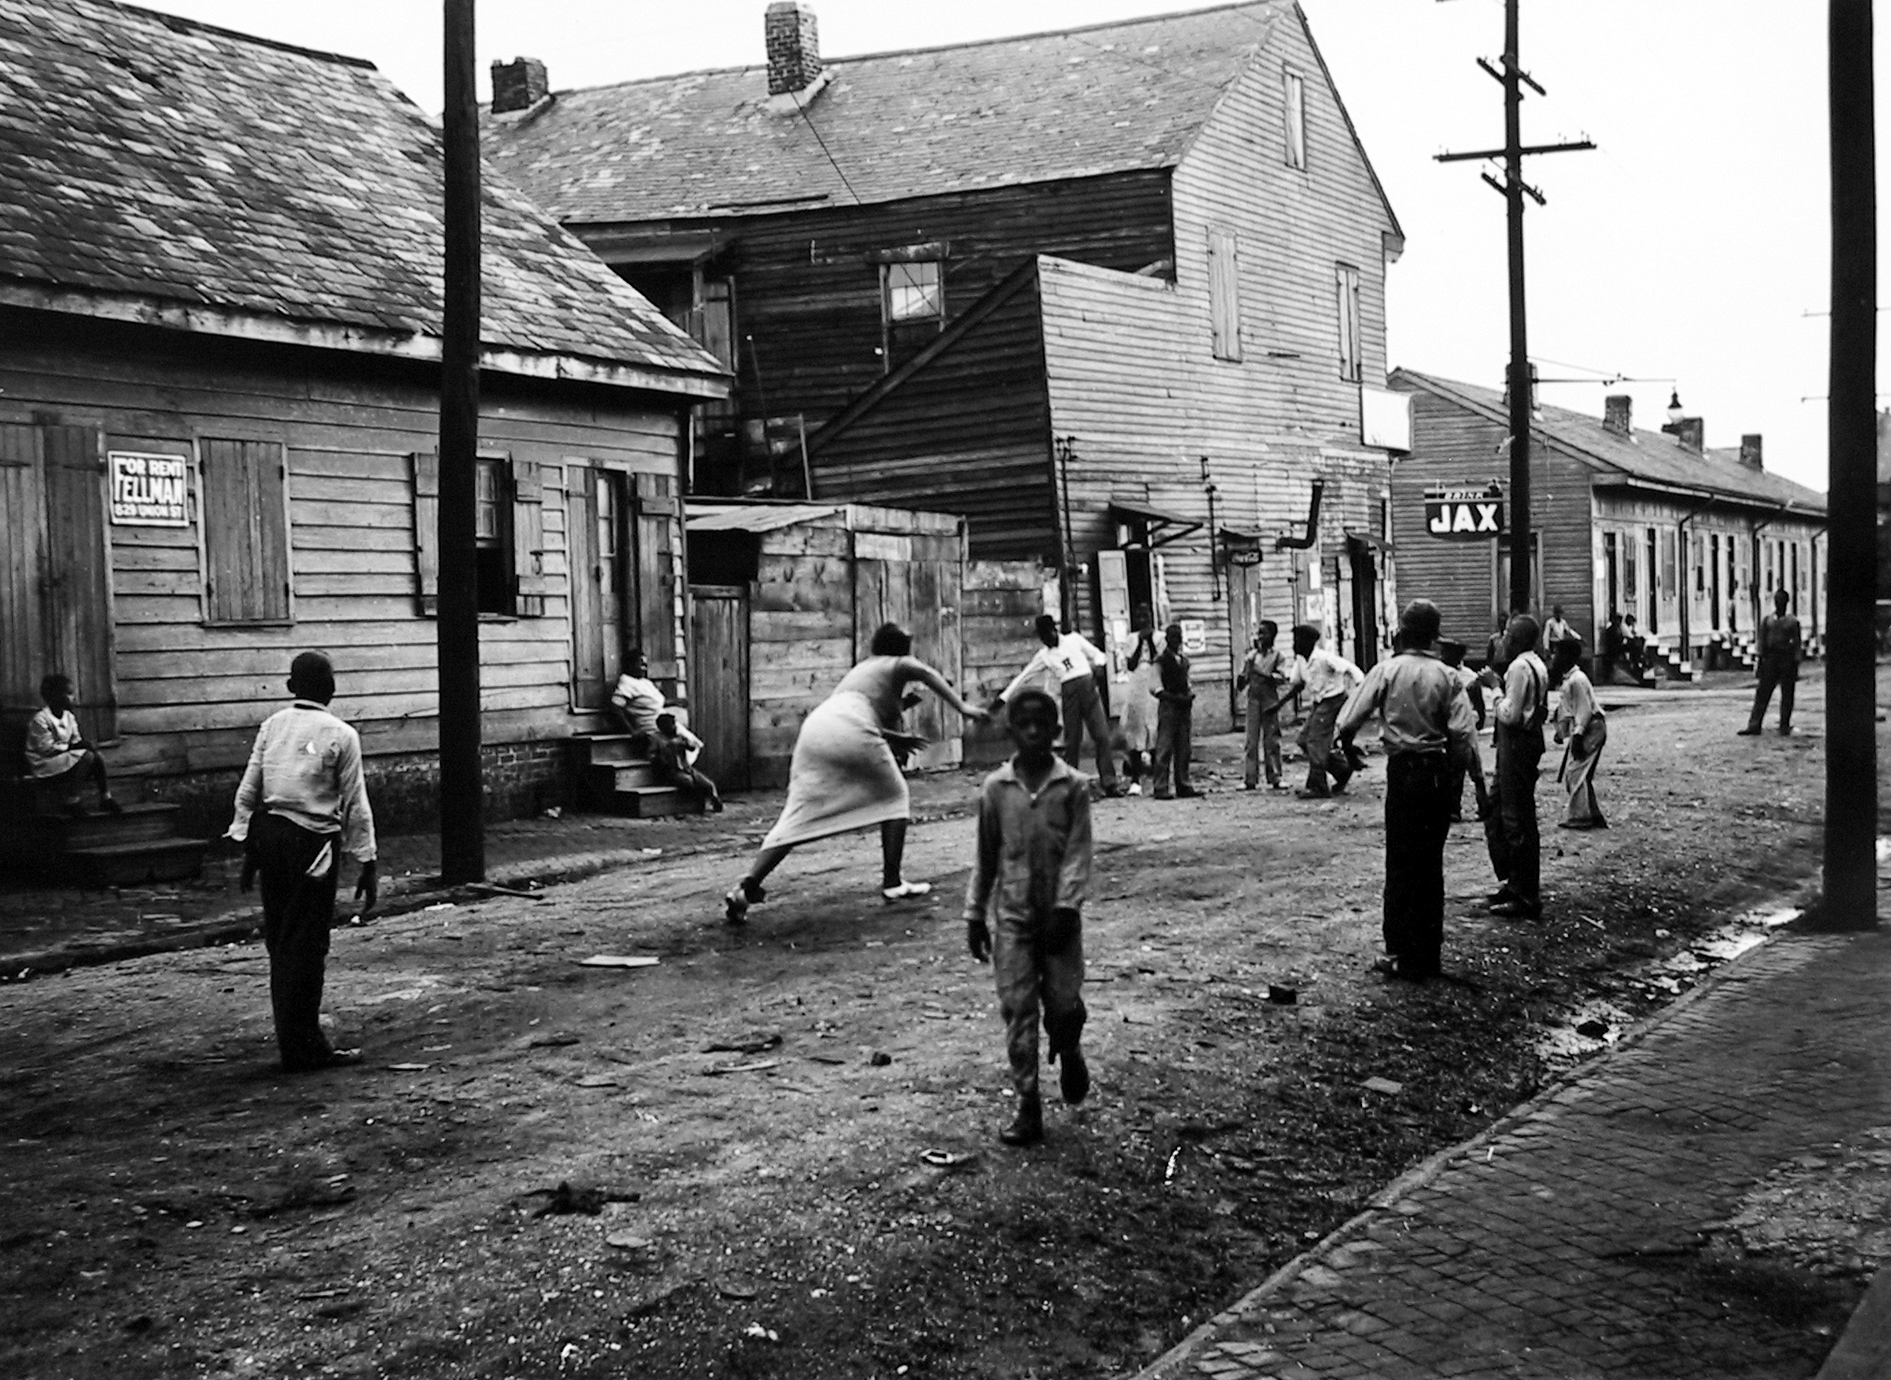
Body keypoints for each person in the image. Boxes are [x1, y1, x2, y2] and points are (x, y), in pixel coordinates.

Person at [725, 623, 991, 922]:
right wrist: (963, 708)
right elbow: (925, 675)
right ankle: (893, 883)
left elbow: (856, 717)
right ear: (900, 648)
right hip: (850, 727)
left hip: (817, 729)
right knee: (895, 797)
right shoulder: (897, 663)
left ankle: (746, 887)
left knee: (798, 813)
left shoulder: (863, 671)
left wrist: (895, 734)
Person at [226, 652, 378, 1073]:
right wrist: (367, 861)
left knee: (281, 943)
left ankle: (294, 1041)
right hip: (312, 844)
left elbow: (248, 792)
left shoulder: (272, 726)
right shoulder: (341, 734)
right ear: (331, 687)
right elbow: (355, 805)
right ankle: (305, 1046)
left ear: (292, 687)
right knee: (307, 944)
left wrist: (248, 848)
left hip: (272, 839)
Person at [963, 689, 1094, 1147]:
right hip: (1013, 919)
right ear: (1011, 731)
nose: (1034, 732)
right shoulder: (996, 790)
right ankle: (1027, 1105)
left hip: (1059, 920)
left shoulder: (1073, 787)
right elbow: (986, 855)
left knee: (1061, 1003)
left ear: (1057, 731)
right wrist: (975, 913)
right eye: (1025, 724)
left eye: (1043, 724)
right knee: (1018, 1010)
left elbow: (1078, 853)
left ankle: (1069, 1045)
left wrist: (1066, 906)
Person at [1336, 600, 1480, 982]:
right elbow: (1464, 737)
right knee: (1430, 867)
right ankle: (1427, 956)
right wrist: (1454, 777)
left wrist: (1348, 748)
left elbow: (1348, 719)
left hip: (1402, 773)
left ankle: (1398, 952)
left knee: (1400, 864)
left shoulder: (1387, 671)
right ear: (1434, 637)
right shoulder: (1449, 677)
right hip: (1436, 772)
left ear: (1402, 633)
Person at [996, 615, 1124, 797]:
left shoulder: (1074, 640)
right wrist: (1003, 698)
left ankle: (1110, 782)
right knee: (1073, 741)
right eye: (1042, 638)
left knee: (1101, 735)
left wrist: (1098, 667)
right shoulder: (1044, 656)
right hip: (1069, 693)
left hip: (1088, 688)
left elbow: (1098, 654)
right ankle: (1070, 785)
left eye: (1048, 635)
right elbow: (1024, 676)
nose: (1046, 640)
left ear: (1054, 630)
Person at [1479, 615, 1549, 919]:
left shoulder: (1518, 668)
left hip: (1517, 743)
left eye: (1507, 635)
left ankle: (1525, 893)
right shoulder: (1536, 663)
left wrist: (1494, 689)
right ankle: (1514, 881)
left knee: (1515, 816)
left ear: (1517, 639)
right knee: (1503, 808)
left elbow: (1510, 714)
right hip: (1525, 742)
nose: (1503, 640)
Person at [1284, 626, 1364, 799]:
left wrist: (1359, 690)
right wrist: (1279, 703)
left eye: (1297, 640)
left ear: (1308, 643)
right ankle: (1341, 770)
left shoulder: (1324, 658)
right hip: (1319, 702)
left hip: (1333, 700)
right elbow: (1297, 684)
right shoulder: (1301, 661)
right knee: (1303, 740)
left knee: (1315, 741)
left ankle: (1317, 786)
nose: (1294, 645)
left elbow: (1352, 669)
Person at [24, 673, 119, 815]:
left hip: (61, 759)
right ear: (56, 697)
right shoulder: (41, 719)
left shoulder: (69, 717)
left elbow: (75, 740)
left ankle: (106, 797)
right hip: (43, 763)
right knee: (86, 756)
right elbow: (45, 749)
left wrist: (84, 744)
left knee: (95, 756)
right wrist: (73, 747)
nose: (73, 698)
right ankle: (72, 800)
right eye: (69, 694)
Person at [1550, 636, 1607, 829]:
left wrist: (1578, 735)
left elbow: (1583, 710)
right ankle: (1592, 814)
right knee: (1582, 774)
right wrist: (1561, 732)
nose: (1554, 658)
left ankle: (1580, 817)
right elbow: (1568, 710)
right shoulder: (1570, 680)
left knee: (1575, 772)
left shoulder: (1577, 680)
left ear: (1567, 656)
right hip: (1587, 728)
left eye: (1557, 654)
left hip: (1591, 728)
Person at [1437, 640, 1489, 823]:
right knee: (1464, 770)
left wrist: (1478, 720)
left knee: (1464, 770)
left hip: (1460, 726)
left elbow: (1479, 704)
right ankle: (1462, 807)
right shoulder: (1448, 675)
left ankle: (1473, 807)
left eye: (1445, 653)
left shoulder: (1466, 678)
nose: (1442, 656)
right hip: (1460, 727)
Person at [1739, 589, 1802, 736]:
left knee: (1787, 694)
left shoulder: (1792, 622)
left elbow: (1797, 644)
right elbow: (1762, 641)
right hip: (1770, 659)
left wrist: (1796, 663)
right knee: (1762, 693)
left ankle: (1784, 725)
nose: (1778, 603)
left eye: (1781, 600)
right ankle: (1754, 725)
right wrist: (1760, 660)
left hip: (1786, 658)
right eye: (1777, 600)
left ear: (1786, 602)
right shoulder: (1768, 620)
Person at [1237, 621, 1292, 790]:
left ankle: (1275, 776)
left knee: (1272, 739)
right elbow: (1242, 683)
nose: (1260, 637)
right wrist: (1243, 676)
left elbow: (1282, 678)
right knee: (1251, 740)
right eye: (1259, 633)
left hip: (1270, 701)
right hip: (1253, 699)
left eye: (1264, 633)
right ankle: (1250, 778)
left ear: (1272, 636)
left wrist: (1263, 673)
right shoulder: (1252, 656)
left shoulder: (1278, 656)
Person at [1150, 623, 1198, 800]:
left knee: (1184, 748)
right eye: (1173, 637)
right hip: (1169, 706)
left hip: (1183, 707)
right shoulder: (1160, 661)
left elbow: (1188, 682)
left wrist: (1189, 695)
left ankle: (1183, 784)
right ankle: (1160, 786)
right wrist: (1174, 698)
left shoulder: (1184, 661)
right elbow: (1155, 688)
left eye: (1179, 637)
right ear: (1167, 639)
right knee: (1164, 747)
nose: (1177, 641)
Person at [1118, 608, 1161, 794]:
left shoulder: (1160, 637)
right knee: (1135, 728)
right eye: (1139, 617)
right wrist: (1140, 642)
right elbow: (1131, 664)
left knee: (1154, 725)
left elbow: (1157, 659)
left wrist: (1149, 640)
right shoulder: (1131, 639)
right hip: (1137, 683)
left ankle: (1157, 775)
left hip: (1153, 679)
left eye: (1146, 616)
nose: (1143, 620)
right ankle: (1135, 779)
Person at [649, 712, 722, 813]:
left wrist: (683, 742)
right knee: (689, 783)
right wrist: (664, 754)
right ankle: (699, 803)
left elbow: (692, 747)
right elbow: (651, 755)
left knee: (708, 784)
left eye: (674, 723)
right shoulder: (656, 738)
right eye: (671, 724)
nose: (674, 726)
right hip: (671, 770)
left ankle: (714, 800)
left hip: (687, 768)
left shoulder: (679, 736)